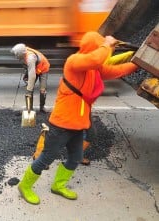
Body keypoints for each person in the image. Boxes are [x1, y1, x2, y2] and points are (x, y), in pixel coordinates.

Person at [17, 32, 139, 205]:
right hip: (61, 124)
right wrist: (108, 44)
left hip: (78, 125)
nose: (104, 51)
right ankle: (25, 186)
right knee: (46, 158)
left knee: (75, 157)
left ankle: (58, 185)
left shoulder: (93, 69)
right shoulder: (74, 61)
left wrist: (137, 65)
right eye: (99, 47)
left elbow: (116, 70)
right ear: (93, 48)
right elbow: (97, 59)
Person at [81, 50, 135, 166]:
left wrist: (130, 54)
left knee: (68, 133)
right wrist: (138, 62)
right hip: (79, 108)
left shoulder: (84, 63)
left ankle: (75, 155)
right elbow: (119, 69)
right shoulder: (96, 68)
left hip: (79, 107)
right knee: (83, 133)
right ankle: (74, 156)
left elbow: (113, 61)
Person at [11, 43, 50, 113]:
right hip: (35, 67)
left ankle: (42, 107)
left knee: (42, 90)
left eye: (16, 54)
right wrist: (26, 76)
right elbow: (28, 68)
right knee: (29, 87)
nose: (15, 56)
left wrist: (29, 90)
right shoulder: (23, 55)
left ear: (20, 54)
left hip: (43, 68)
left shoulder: (30, 58)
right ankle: (29, 109)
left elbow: (32, 75)